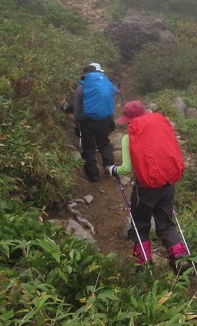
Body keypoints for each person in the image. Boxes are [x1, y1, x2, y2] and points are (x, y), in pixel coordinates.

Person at [107, 100, 190, 274]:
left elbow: (127, 169)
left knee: (140, 225)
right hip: (167, 184)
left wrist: (113, 170)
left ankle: (143, 265)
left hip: (145, 188)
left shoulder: (128, 138)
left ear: (129, 120)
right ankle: (180, 258)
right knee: (166, 224)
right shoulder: (160, 128)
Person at [73, 62, 120, 182]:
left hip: (86, 120)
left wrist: (76, 123)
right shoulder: (104, 84)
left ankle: (93, 174)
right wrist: (110, 119)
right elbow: (111, 99)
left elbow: (77, 108)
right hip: (104, 119)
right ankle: (109, 166)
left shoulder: (80, 88)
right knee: (104, 143)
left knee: (88, 146)